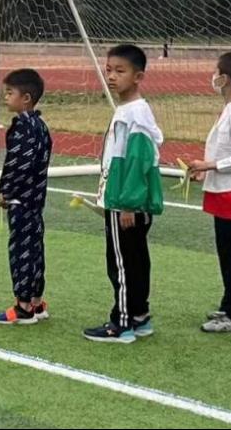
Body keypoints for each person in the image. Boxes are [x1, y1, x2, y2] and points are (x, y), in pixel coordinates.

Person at [83, 44, 164, 343]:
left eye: (120, 71)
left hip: (125, 203)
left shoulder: (135, 113)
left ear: (138, 76)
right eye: (109, 70)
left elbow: (138, 159)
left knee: (122, 264)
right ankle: (139, 316)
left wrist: (128, 203)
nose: (112, 76)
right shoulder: (131, 111)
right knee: (136, 260)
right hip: (127, 199)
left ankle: (122, 322)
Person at [188, 53, 231, 333]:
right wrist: (206, 170)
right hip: (226, 191)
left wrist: (209, 165)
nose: (212, 77)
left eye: (215, 72)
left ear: (224, 79)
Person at [0, 69, 53, 325]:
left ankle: (24, 306)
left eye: (10, 93)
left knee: (22, 252)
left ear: (26, 98)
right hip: (36, 200)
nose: (5, 97)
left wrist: (6, 192)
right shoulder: (41, 126)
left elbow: (18, 164)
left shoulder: (23, 128)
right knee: (36, 249)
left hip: (22, 201)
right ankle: (37, 302)